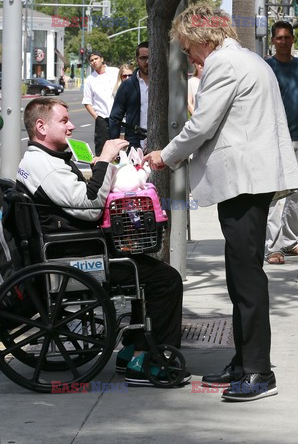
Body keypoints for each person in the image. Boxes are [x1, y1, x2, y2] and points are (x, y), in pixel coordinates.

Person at [143, 5, 298, 402]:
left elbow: (201, 125)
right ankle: (244, 360)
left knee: (246, 279)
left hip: (245, 182)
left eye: (188, 47)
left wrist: (165, 155)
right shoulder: (242, 58)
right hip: (249, 181)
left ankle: (258, 372)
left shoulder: (224, 63)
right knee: (239, 274)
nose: (189, 56)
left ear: (202, 38)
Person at [16, 97, 190, 388]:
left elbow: (76, 196)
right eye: (63, 120)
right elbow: (89, 204)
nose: (71, 125)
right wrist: (106, 161)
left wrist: (98, 168)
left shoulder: (40, 159)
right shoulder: (44, 165)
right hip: (78, 254)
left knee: (146, 266)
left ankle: (133, 350)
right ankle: (154, 363)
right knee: (166, 279)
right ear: (41, 126)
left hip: (74, 245)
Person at [265, 21, 298, 264]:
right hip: (273, 141)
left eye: (287, 37)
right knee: (275, 196)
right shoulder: (266, 67)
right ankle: (272, 247)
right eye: (279, 38)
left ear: (293, 40)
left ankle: (290, 241)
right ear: (273, 41)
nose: (283, 41)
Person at [109, 42, 149, 149]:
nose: (148, 61)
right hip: (135, 143)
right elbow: (115, 118)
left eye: (150, 57)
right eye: (143, 58)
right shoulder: (128, 85)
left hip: (159, 144)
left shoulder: (163, 85)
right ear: (137, 60)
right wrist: (115, 147)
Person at [82, 50, 119, 156]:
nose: (94, 62)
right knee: (101, 149)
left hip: (117, 117)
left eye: (96, 59)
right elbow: (87, 101)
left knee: (119, 147)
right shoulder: (90, 79)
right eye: (91, 60)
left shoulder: (114, 72)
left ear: (102, 59)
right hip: (102, 118)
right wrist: (96, 117)